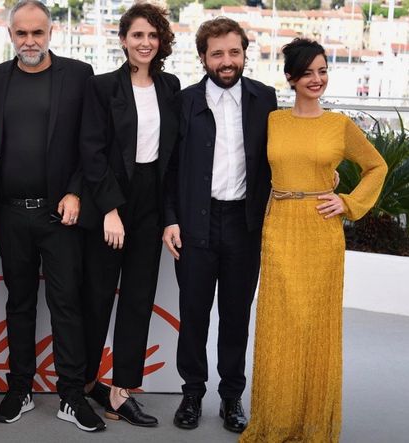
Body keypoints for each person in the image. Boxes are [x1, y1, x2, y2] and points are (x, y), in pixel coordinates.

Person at [240, 38, 387, 443]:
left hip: (322, 234)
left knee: (314, 326)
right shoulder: (273, 121)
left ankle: (313, 423)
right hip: (280, 226)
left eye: (322, 71)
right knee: (280, 325)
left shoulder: (339, 125)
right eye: (308, 73)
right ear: (291, 78)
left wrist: (348, 201)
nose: (317, 79)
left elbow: (377, 165)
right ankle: (276, 420)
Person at [0, 0, 104, 432]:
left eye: (37, 33)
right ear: (11, 35)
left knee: (66, 304)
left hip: (61, 215)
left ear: (51, 33)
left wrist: (75, 192)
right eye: (22, 33)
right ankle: (20, 390)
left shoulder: (77, 76)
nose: (30, 41)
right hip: (9, 214)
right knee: (18, 303)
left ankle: (71, 395)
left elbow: (90, 143)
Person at [162, 18, 277, 433]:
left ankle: (231, 397)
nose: (226, 61)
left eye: (233, 52)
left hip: (244, 225)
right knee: (193, 314)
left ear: (244, 54)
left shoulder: (265, 98)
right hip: (195, 223)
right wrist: (171, 219)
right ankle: (192, 392)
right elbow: (168, 168)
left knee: (235, 316)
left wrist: (322, 177)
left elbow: (281, 154)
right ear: (203, 58)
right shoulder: (185, 100)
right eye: (217, 54)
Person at [79, 2, 180, 427]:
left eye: (152, 36)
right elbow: (92, 151)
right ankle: (83, 384)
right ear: (123, 40)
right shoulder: (102, 87)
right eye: (137, 35)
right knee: (97, 297)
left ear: (161, 43)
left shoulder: (171, 86)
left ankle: (121, 392)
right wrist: (110, 210)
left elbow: (174, 159)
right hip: (111, 201)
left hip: (151, 204)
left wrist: (170, 215)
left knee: (139, 298)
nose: (145, 43)